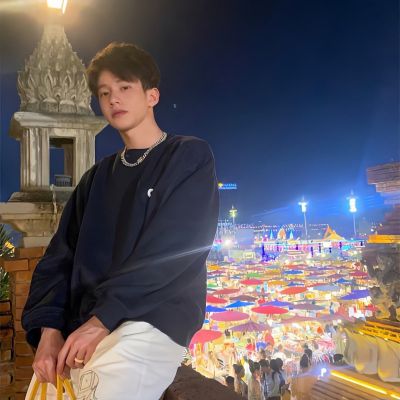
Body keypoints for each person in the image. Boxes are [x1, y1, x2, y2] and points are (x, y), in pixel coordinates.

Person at [22, 42, 219, 399]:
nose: (114, 98)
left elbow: (175, 249)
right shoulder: (94, 179)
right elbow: (58, 259)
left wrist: (102, 320)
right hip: (84, 323)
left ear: (152, 95)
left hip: (152, 318)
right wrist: (48, 329)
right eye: (104, 92)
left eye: (125, 87)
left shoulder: (187, 157)